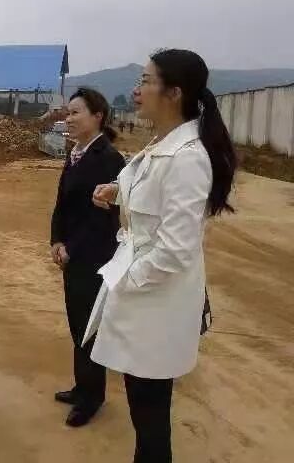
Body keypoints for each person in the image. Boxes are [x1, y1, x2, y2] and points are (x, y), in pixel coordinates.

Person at [88, 49, 237, 463]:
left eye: (146, 80)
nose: (137, 89)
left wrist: (128, 280)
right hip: (145, 296)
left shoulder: (188, 158)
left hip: (155, 302)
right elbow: (148, 188)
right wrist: (117, 191)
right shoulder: (161, 144)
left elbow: (175, 249)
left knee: (150, 413)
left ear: (174, 93)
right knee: (142, 405)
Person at [50, 88, 125, 428]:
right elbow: (62, 204)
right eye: (68, 112)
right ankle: (83, 387)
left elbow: (102, 218)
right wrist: (56, 239)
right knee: (77, 322)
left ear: (98, 116)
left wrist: (72, 249)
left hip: (94, 257)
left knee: (89, 327)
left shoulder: (108, 158)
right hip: (72, 254)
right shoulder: (76, 153)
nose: (69, 118)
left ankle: (92, 398)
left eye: (76, 112)